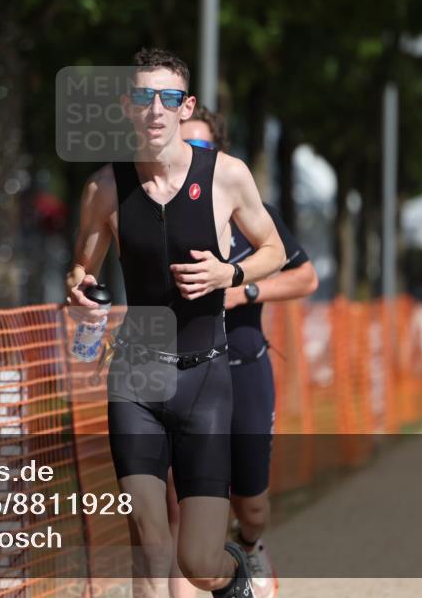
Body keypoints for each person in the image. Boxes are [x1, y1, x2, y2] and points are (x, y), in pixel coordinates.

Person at [65, 48, 286, 598]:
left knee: (198, 563)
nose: (155, 110)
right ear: (127, 108)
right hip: (136, 378)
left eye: (167, 98)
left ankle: (237, 580)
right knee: (149, 541)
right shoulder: (105, 189)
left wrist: (227, 274)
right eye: (143, 97)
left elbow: (275, 251)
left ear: (185, 107)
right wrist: (78, 294)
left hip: (206, 380)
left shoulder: (226, 176)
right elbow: (80, 273)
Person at [160, 107, 318, 598]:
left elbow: (306, 277)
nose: (190, 156)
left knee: (251, 506)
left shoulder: (250, 209)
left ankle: (249, 547)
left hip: (244, 368)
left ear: (219, 154)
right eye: (181, 146)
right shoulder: (157, 211)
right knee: (182, 512)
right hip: (183, 375)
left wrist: (243, 290)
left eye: (201, 147)